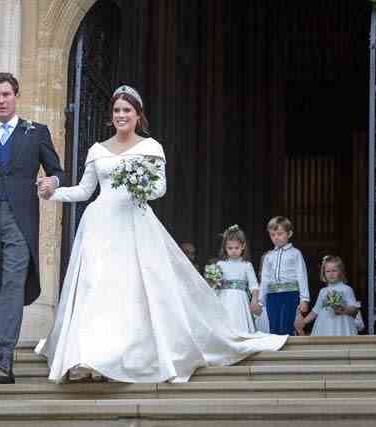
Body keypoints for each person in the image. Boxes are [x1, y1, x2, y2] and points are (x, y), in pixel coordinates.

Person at [35, 85, 286, 384]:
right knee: (94, 287)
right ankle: (88, 356)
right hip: (99, 225)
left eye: (127, 110)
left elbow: (160, 188)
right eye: (116, 110)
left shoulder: (150, 147)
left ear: (138, 115)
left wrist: (136, 183)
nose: (121, 115)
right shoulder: (97, 150)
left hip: (133, 224)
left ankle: (116, 356)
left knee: (129, 291)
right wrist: (54, 193)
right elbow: (85, 190)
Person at [0, 72, 64, 385]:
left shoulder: (36, 132)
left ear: (16, 96)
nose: (1, 100)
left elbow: (57, 170)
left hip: (21, 222)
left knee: (13, 285)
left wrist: (52, 182)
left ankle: (1, 360)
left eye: (6, 94)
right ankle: (0, 359)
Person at [259, 216, 310, 335]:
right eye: (272, 234)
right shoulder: (269, 256)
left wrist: (304, 299)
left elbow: (302, 276)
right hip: (272, 296)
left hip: (290, 294)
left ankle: (288, 352)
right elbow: (265, 279)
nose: (276, 237)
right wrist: (260, 301)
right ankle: (276, 352)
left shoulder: (295, 253)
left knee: (287, 325)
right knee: (274, 325)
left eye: (280, 234)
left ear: (289, 233)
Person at [294, 255, 360, 336]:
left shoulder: (346, 289)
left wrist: (343, 309)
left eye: (334, 271)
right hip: (325, 326)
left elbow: (354, 309)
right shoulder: (323, 291)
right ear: (323, 273)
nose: (331, 274)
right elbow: (315, 311)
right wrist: (303, 322)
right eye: (328, 271)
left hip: (342, 325)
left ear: (340, 272)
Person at [215, 225, 261, 334]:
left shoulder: (246, 265)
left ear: (243, 246)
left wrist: (254, 300)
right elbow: (215, 285)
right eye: (230, 248)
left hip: (241, 300)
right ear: (225, 247)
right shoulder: (220, 264)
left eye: (236, 248)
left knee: (240, 324)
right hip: (224, 298)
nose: (233, 251)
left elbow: (254, 286)